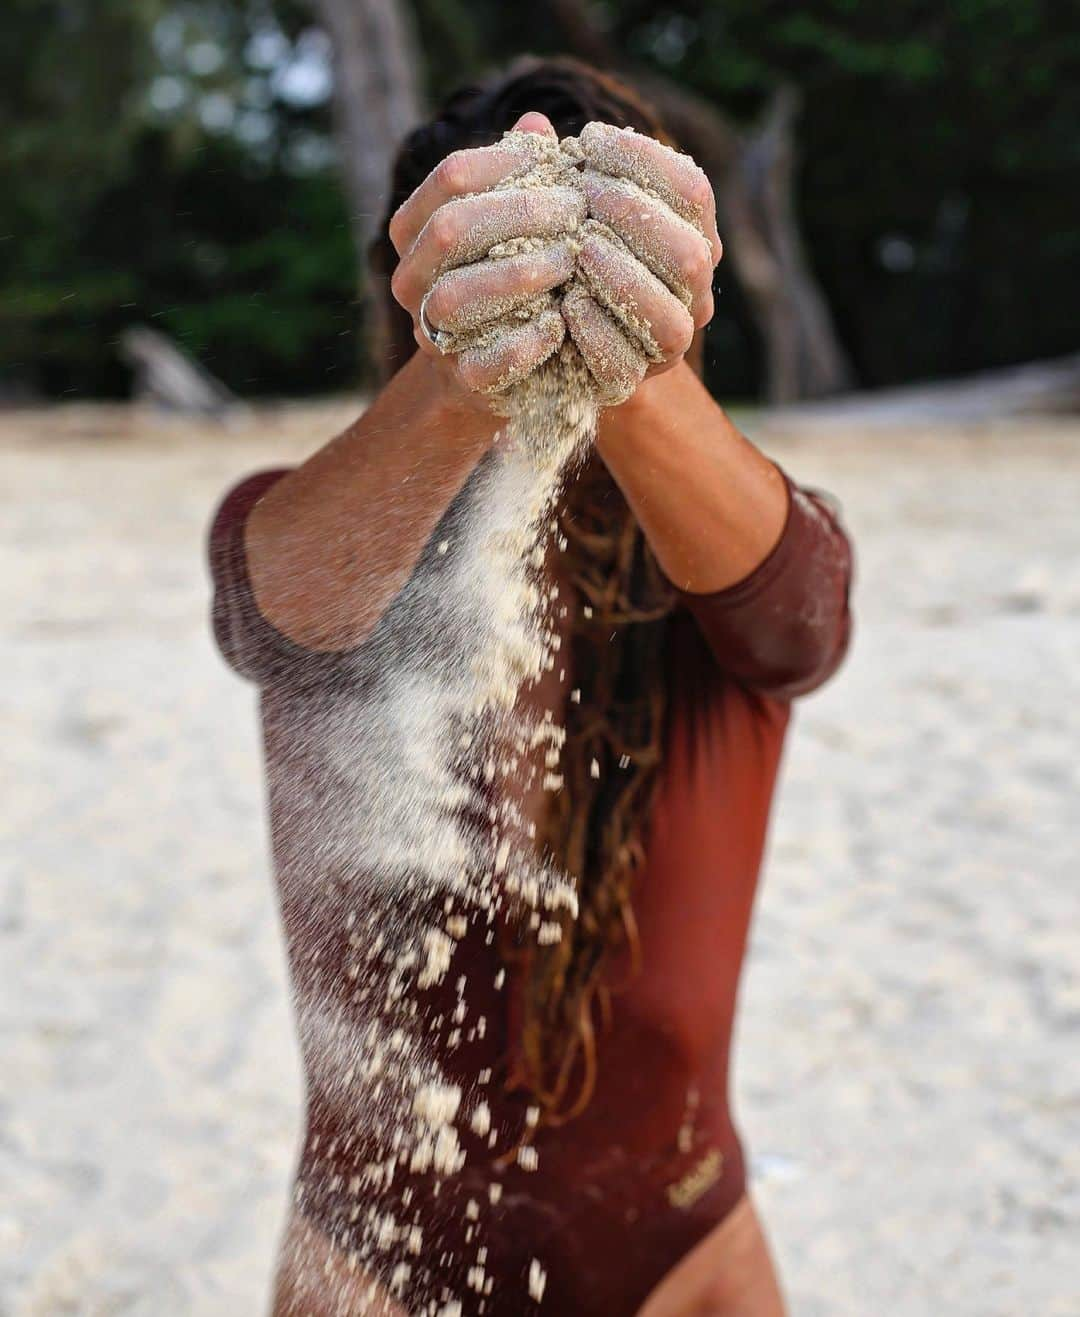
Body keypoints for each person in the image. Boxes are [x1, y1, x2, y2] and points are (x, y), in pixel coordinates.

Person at [209, 56, 853, 1317]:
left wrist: (636, 364)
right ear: (402, 316)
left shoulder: (707, 566)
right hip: (373, 1261)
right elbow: (272, 614)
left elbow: (800, 622)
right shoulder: (337, 537)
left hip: (682, 1255)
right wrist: (464, 367)